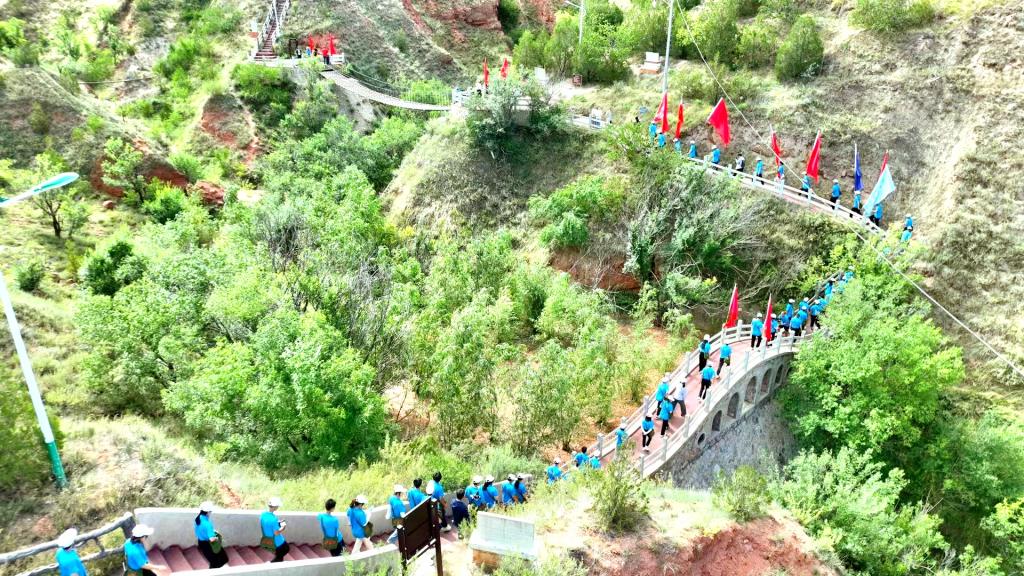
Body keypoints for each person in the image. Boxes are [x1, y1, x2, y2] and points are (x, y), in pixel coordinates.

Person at [194, 501, 227, 568]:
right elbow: (212, 539)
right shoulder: (207, 524)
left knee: (215, 559)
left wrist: (212, 531)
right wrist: (217, 537)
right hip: (208, 544)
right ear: (208, 512)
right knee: (220, 560)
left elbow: (201, 529)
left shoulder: (198, 519)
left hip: (200, 542)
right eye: (210, 511)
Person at [260, 497, 289, 563]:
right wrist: (283, 527)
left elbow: (266, 525)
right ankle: (272, 563)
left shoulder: (263, 515)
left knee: (280, 554)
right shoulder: (273, 519)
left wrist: (277, 523)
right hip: (277, 542)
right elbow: (276, 533)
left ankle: (278, 561)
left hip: (267, 539)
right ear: (275, 507)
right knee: (286, 549)